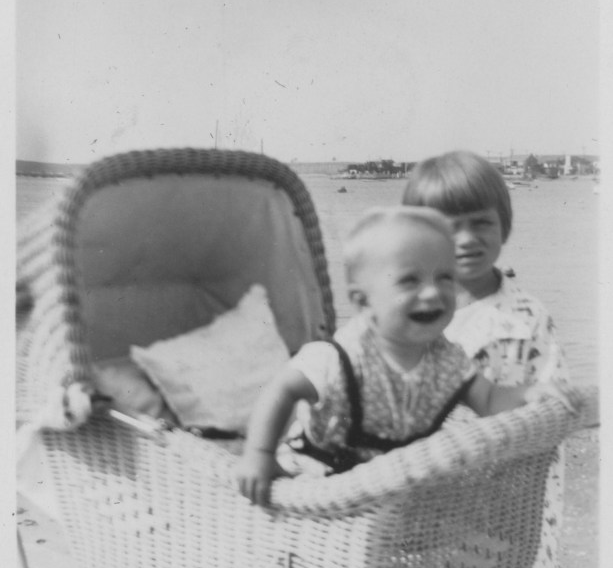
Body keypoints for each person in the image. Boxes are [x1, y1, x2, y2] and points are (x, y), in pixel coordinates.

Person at [400, 149, 573, 568]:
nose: (467, 238)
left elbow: (552, 403)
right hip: (426, 500)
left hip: (503, 502)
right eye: (448, 227)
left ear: (504, 227)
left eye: (482, 223)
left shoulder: (525, 317)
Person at [236, 205, 563, 508]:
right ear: (363, 302)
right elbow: (282, 389)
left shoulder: (447, 360)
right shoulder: (340, 358)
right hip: (317, 485)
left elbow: (489, 399)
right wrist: (260, 453)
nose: (433, 292)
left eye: (445, 277)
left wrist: (526, 394)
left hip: (386, 495)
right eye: (410, 280)